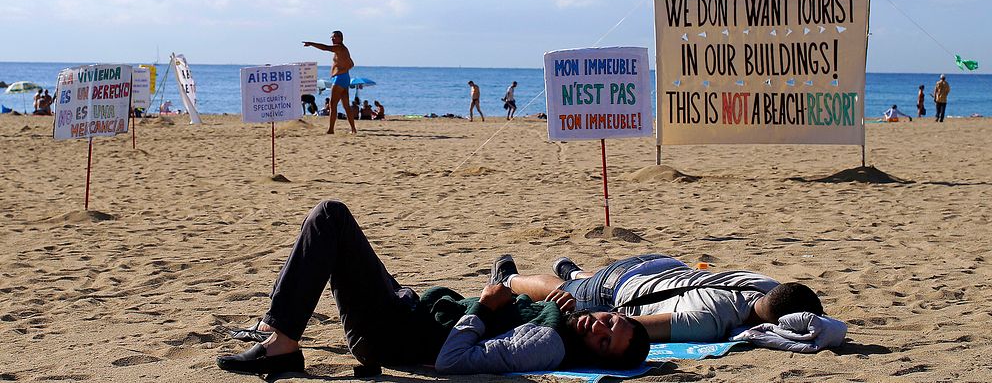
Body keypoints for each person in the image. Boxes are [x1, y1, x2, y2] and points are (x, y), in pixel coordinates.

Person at [215, 201, 649, 377]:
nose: (599, 326)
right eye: (610, 321)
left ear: (597, 356)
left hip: (391, 333)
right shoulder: (560, 322)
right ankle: (279, 328)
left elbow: (452, 360)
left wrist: (482, 306)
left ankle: (283, 343)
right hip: (407, 309)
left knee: (330, 218)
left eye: (604, 341)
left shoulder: (546, 343)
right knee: (334, 241)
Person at [503, 254, 823, 344]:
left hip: (662, 264)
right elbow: (629, 324)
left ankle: (576, 272)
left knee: (584, 281)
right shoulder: (708, 320)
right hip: (618, 288)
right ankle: (509, 279)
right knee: (563, 292)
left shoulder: (764, 283)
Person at [303, 31, 357, 134]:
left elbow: (325, 48)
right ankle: (353, 129)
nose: (332, 39)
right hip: (344, 78)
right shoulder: (344, 50)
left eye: (334, 37)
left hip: (339, 79)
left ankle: (331, 129)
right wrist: (344, 70)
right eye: (331, 37)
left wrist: (311, 43)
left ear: (340, 38)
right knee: (346, 105)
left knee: (333, 105)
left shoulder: (340, 48)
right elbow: (351, 64)